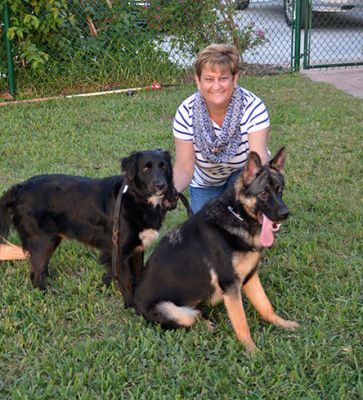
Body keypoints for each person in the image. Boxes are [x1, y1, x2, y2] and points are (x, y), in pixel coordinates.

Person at [173, 43, 270, 213]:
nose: (216, 86)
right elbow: (184, 168)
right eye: (209, 79)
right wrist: (165, 193)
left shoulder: (253, 107)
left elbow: (259, 159)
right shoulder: (185, 113)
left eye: (223, 78)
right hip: (205, 181)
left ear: (235, 78)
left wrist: (261, 196)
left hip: (243, 175)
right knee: (204, 231)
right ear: (197, 80)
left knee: (241, 224)